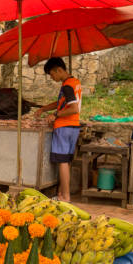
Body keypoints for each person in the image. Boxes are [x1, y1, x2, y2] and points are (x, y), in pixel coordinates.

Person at [34, 57, 82, 202]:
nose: (52, 77)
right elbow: (61, 103)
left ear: (59, 70)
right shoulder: (74, 82)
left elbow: (73, 109)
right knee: (66, 161)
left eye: (51, 74)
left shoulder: (67, 86)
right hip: (73, 126)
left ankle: (65, 197)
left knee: (62, 162)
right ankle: (61, 194)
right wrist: (44, 108)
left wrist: (55, 115)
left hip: (64, 126)